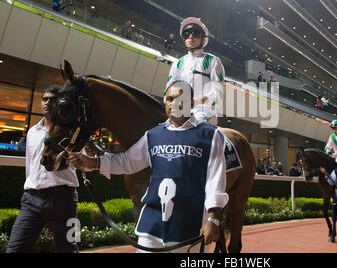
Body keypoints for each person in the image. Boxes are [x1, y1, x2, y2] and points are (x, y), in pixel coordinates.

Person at [68, 81, 228, 251]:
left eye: (180, 99)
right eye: (169, 99)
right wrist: (92, 162)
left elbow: (215, 179)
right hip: (151, 224)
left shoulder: (211, 135)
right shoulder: (152, 135)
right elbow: (127, 161)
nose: (174, 104)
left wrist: (212, 218)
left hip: (190, 225)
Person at [7, 86, 79, 253]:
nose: (48, 103)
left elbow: (84, 163)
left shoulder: (72, 133)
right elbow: (30, 166)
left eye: (53, 100)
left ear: (60, 104)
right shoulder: (32, 132)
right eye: (45, 99)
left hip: (65, 201)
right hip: (31, 200)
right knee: (14, 249)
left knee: (69, 249)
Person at [165, 17, 225, 126]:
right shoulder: (177, 64)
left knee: (196, 122)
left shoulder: (213, 61)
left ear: (203, 39)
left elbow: (218, 94)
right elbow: (167, 92)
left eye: (196, 33)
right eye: (186, 34)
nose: (191, 37)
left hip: (204, 113)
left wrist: (194, 102)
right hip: (180, 113)